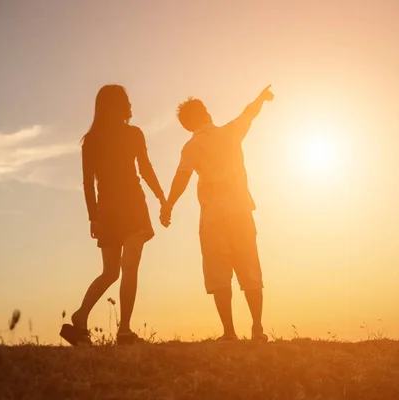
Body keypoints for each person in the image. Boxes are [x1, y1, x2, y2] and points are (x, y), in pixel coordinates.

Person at [160, 85, 274, 342]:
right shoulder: (230, 132)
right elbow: (249, 113)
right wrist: (261, 97)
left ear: (188, 126)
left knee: (219, 272)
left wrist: (168, 205)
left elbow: (182, 177)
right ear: (207, 113)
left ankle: (229, 332)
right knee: (250, 268)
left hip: (214, 216)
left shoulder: (192, 146)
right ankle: (257, 328)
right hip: (241, 210)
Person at [60, 84, 166, 345]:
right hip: (113, 209)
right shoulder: (93, 141)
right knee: (112, 272)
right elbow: (87, 182)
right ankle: (81, 316)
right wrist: (92, 216)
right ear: (120, 105)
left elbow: (145, 169)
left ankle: (124, 331)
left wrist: (161, 197)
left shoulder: (131, 135)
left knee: (127, 267)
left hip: (127, 208)